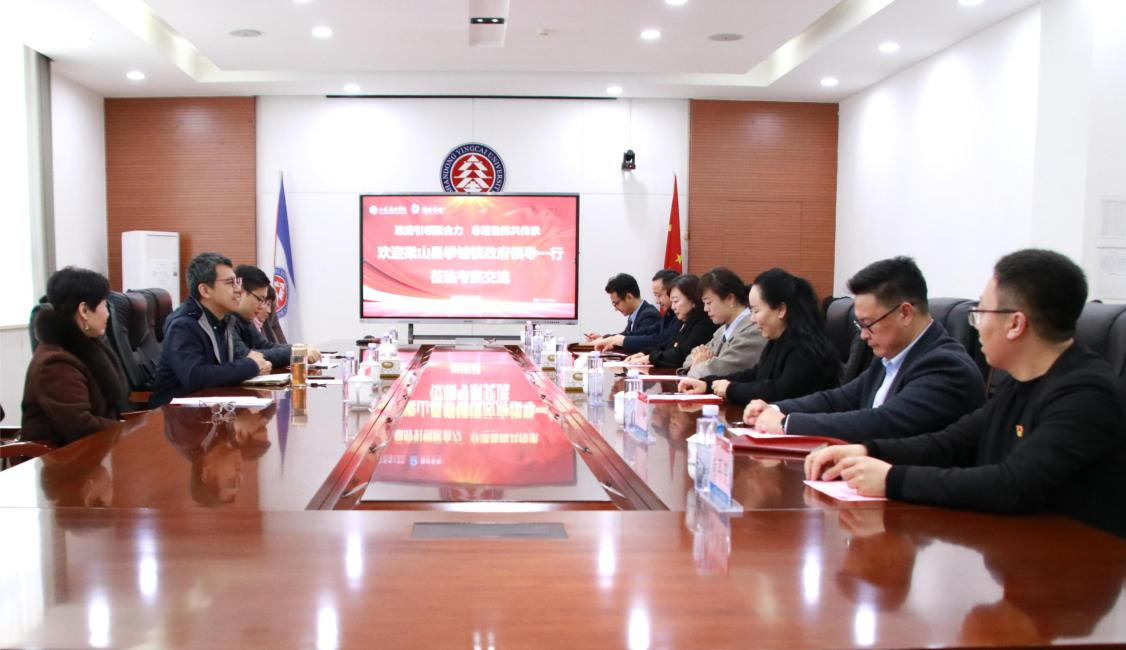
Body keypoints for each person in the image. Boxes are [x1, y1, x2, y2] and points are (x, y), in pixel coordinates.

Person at [805, 249, 1126, 537]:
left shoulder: (1086, 394)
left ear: (1015, 324)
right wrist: (867, 451)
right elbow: (952, 443)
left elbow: (1013, 484)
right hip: (1019, 549)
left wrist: (892, 480)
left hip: (1076, 565)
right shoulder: (1021, 383)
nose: (976, 325)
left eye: (982, 312)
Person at [744, 256, 984, 441]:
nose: (863, 335)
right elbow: (840, 398)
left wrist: (787, 424)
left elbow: (882, 423)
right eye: (860, 325)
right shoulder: (890, 356)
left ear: (905, 313)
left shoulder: (946, 366)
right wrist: (776, 407)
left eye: (868, 324)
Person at [678, 268, 837, 405]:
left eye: (756, 311)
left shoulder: (804, 346)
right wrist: (708, 384)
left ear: (781, 310)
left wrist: (730, 389)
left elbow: (779, 391)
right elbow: (755, 374)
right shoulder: (779, 339)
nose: (752, 319)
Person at [20, 267, 130, 447]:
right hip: (59, 459)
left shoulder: (87, 346)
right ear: (84, 310)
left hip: (94, 450)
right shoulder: (55, 363)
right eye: (104, 305)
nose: (108, 313)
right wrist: (128, 429)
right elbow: (80, 426)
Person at [149, 253, 272, 407]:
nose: (238, 290)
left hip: (211, 407)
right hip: (176, 412)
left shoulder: (224, 320)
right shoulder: (183, 325)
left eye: (237, 282)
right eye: (230, 283)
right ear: (205, 290)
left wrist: (254, 362)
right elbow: (196, 377)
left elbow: (225, 365)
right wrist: (251, 365)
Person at [681, 267, 764, 378]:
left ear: (730, 299)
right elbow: (688, 360)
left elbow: (719, 370)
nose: (705, 309)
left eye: (708, 302)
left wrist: (699, 364)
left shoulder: (754, 330)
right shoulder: (722, 330)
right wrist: (701, 362)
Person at [231, 265, 319, 367]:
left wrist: (300, 348)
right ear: (240, 292)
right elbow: (246, 355)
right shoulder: (226, 319)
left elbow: (265, 346)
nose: (261, 306)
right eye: (260, 299)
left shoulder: (244, 319)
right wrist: (298, 353)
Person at [626, 274, 715, 369]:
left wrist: (650, 358)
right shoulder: (682, 320)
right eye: (672, 302)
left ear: (693, 299)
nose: (673, 307)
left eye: (676, 301)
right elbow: (667, 344)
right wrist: (644, 353)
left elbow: (680, 355)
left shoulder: (704, 324)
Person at [592, 269, 680, 353]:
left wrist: (620, 340)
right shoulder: (669, 314)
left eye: (659, 295)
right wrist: (608, 339)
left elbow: (655, 341)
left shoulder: (650, 315)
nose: (657, 301)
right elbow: (643, 332)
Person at [584, 272, 661, 342]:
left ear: (629, 297)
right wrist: (603, 339)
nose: (615, 309)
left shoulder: (649, 316)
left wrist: (606, 340)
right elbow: (625, 335)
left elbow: (635, 342)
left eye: (616, 303)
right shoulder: (634, 314)